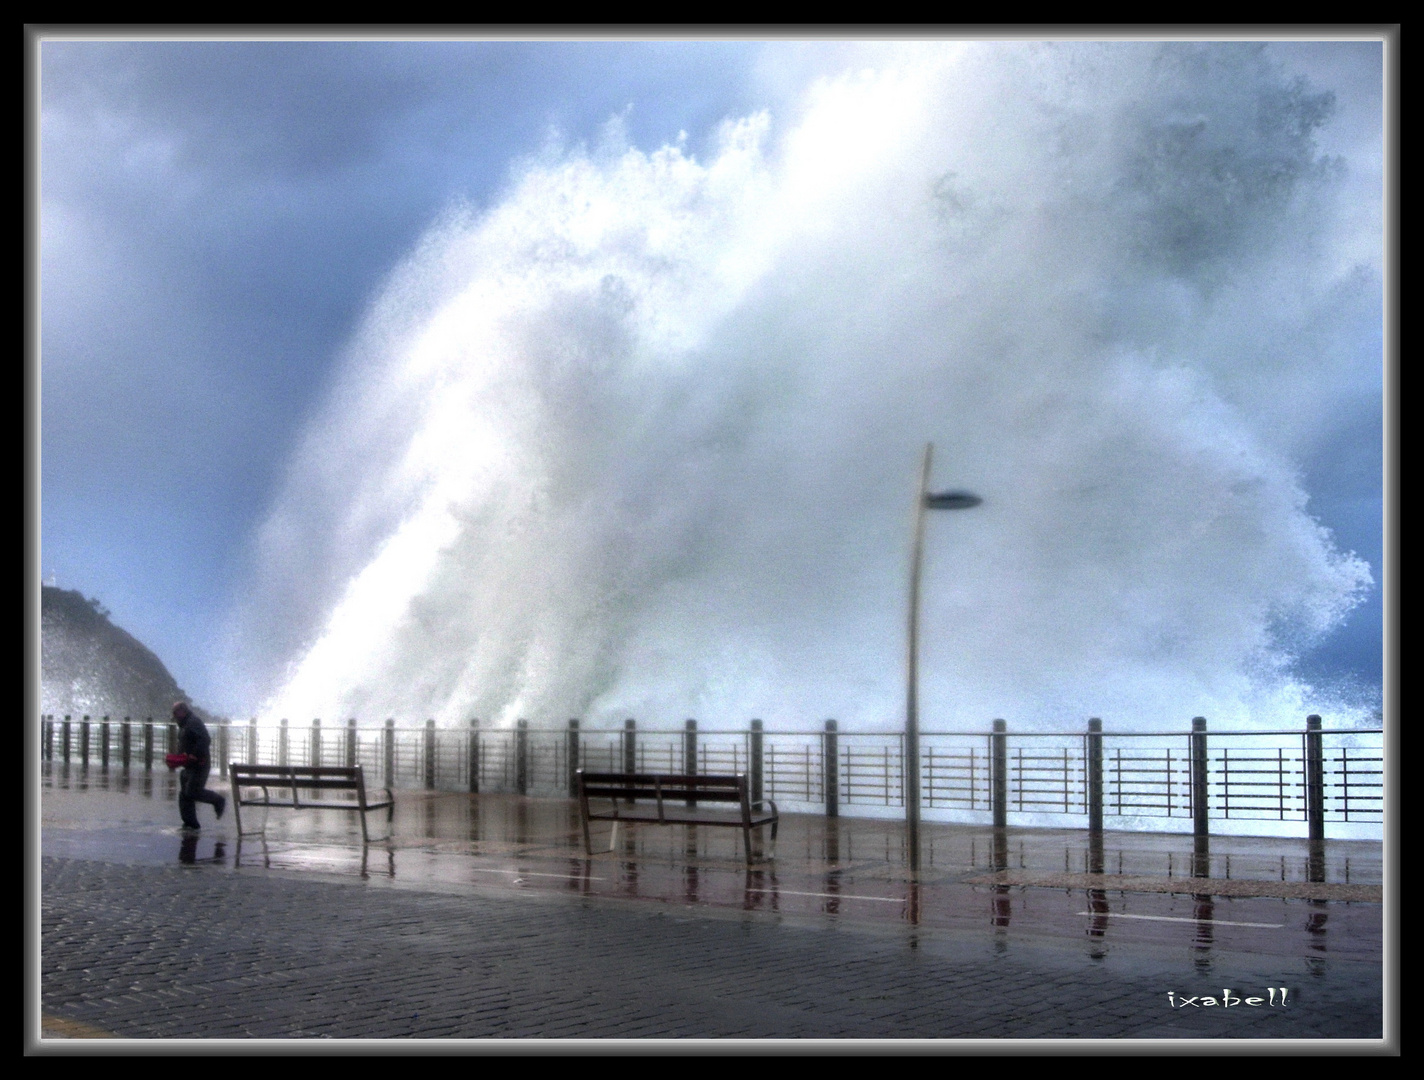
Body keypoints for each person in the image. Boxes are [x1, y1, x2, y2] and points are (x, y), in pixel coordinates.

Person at [172, 702, 225, 830]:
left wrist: (195, 754)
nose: (173, 716)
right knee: (184, 794)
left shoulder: (193, 722)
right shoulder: (185, 723)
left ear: (182, 711)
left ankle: (217, 800)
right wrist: (177, 758)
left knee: (192, 791)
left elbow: (205, 739)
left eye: (175, 713)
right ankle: (190, 824)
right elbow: (186, 742)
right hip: (188, 764)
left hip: (200, 764)